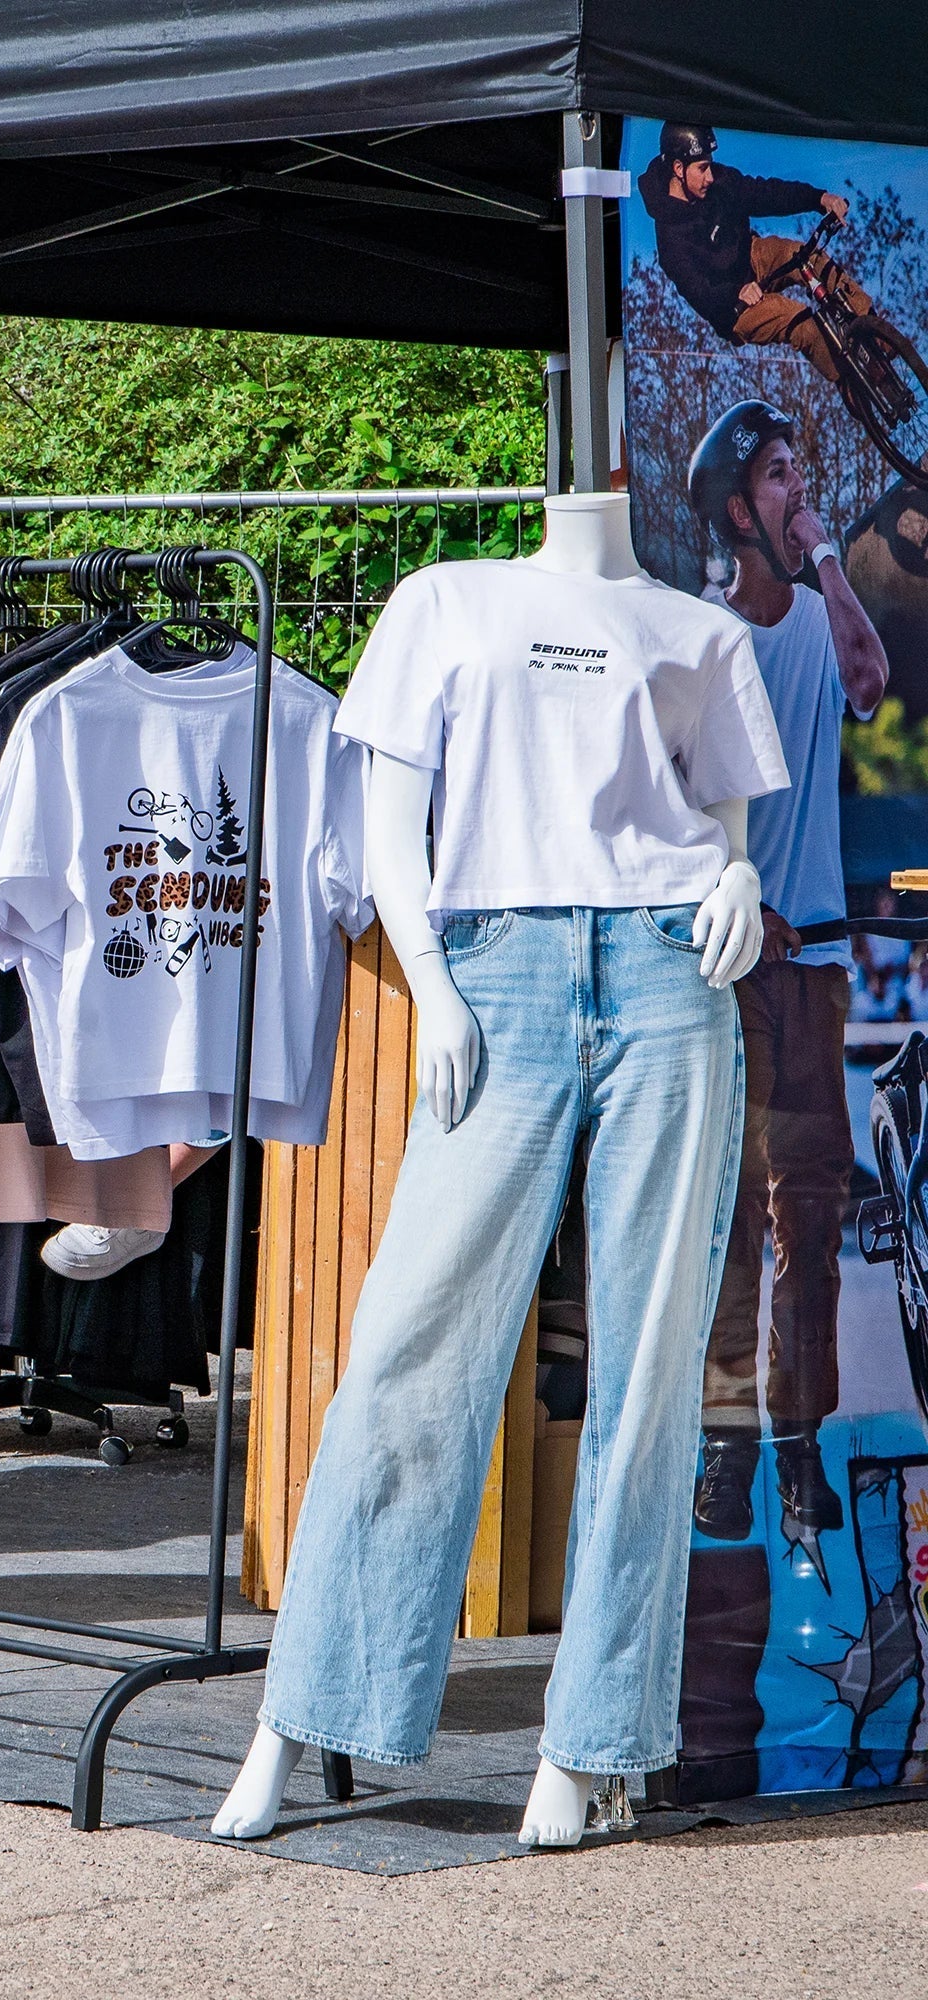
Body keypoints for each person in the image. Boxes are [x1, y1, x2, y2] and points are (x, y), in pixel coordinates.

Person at [686, 400, 889, 1558]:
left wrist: (819, 540)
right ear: (729, 507)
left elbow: (869, 684)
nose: (793, 486)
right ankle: (723, 1446)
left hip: (807, 970)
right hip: (724, 973)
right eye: (774, 476)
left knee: (806, 1223)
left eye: (796, 469)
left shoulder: (817, 618)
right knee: (728, 1220)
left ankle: (795, 1445)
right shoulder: (700, 637)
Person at [639, 123, 870, 383]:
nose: (710, 177)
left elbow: (765, 193)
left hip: (751, 258)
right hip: (732, 307)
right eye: (702, 168)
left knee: (802, 255)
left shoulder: (719, 183)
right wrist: (735, 292)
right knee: (801, 323)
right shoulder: (671, 236)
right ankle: (854, 384)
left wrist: (818, 199)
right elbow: (698, 291)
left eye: (710, 166)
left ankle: (875, 333)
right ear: (678, 169)